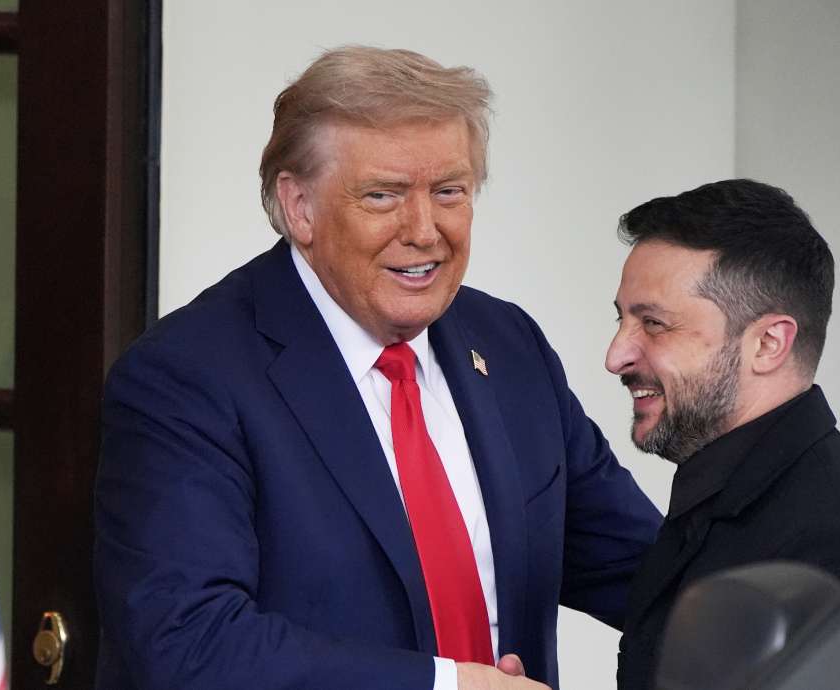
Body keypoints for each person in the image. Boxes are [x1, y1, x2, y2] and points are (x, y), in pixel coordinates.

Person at [93, 46, 662, 690]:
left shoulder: (507, 346)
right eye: (383, 196)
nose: (424, 230)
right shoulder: (187, 377)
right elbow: (187, 642)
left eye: (449, 191)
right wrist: (446, 686)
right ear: (300, 206)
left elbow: (640, 572)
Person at [605, 179, 840, 690]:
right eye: (621, 319)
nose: (615, 356)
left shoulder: (835, 547)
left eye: (654, 324)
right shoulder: (728, 498)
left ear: (769, 343)